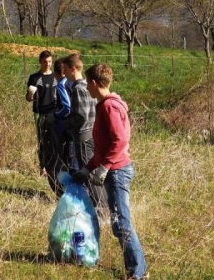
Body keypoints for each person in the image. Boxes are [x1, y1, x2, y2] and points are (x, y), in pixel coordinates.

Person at [73, 63, 148, 280]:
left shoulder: (109, 106)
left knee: (122, 224)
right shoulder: (105, 105)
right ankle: (136, 269)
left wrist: (104, 168)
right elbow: (102, 148)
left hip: (117, 172)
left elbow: (120, 140)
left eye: (88, 83)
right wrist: (86, 170)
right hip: (112, 170)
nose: (86, 87)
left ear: (95, 83)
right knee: (118, 224)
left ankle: (138, 273)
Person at [62, 54, 106, 210]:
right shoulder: (86, 87)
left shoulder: (78, 88)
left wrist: (65, 122)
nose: (64, 73)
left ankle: (102, 208)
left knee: (89, 174)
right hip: (92, 134)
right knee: (91, 171)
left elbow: (81, 116)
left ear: (73, 69)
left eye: (65, 69)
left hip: (84, 136)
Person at [26, 50, 57, 175]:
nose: (47, 64)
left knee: (54, 140)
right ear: (40, 62)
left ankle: (55, 166)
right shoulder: (34, 77)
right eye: (45, 62)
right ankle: (43, 167)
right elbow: (28, 99)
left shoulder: (56, 77)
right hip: (40, 113)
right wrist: (30, 93)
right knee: (42, 140)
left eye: (49, 62)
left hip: (54, 113)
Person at [45, 58, 71, 196]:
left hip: (63, 128)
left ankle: (62, 190)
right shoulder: (73, 82)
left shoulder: (61, 84)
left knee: (59, 158)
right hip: (74, 128)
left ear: (55, 73)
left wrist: (55, 116)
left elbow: (67, 107)